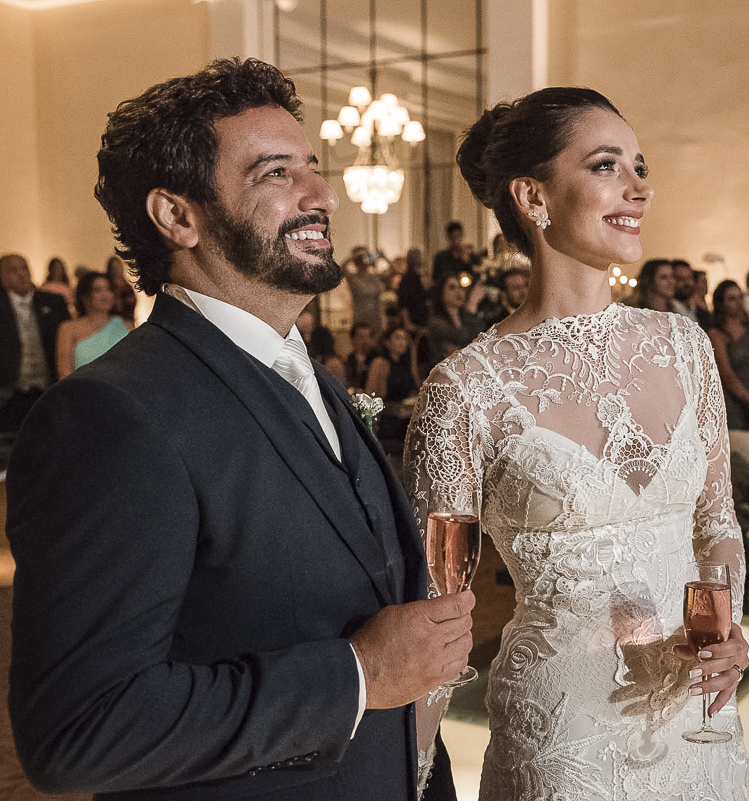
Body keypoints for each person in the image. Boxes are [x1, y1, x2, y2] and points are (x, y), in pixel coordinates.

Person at [5, 58, 471, 801]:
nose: (322, 194)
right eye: (274, 173)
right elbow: (78, 730)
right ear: (176, 216)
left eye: (314, 168)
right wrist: (358, 675)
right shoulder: (112, 416)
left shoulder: (309, 374)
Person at [404, 86, 749, 799]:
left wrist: (728, 635)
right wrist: (407, 776)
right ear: (533, 196)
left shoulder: (684, 345)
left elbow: (716, 522)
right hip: (564, 734)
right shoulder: (465, 387)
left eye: (640, 165)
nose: (639, 187)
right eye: (606, 166)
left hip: (698, 721)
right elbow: (432, 609)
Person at [0, 253, 71, 432]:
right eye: (14, 270)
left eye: (24, 268)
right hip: (9, 393)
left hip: (48, 388)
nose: (22, 274)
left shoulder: (53, 302)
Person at [708, 279, 749, 431]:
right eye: (731, 298)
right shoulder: (716, 333)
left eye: (740, 297)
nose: (738, 303)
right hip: (730, 402)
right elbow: (725, 373)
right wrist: (748, 397)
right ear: (721, 302)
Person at [55, 270, 133, 377]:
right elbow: (64, 372)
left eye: (108, 289)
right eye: (98, 290)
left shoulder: (126, 325)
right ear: (85, 297)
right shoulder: (68, 328)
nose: (105, 295)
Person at [365, 324, 419, 442]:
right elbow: (371, 395)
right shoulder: (379, 363)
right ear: (387, 342)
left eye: (405, 339)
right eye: (398, 338)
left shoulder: (406, 364)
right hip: (386, 419)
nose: (402, 342)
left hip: (406, 418)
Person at [425, 271, 486, 364]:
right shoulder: (436, 322)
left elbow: (481, 339)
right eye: (452, 287)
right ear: (441, 292)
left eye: (461, 287)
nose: (458, 292)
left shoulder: (465, 317)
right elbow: (462, 337)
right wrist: (471, 307)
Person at [343, 245, 388, 329]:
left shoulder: (375, 277)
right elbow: (342, 268)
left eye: (365, 259)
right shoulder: (353, 278)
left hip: (376, 316)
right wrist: (354, 256)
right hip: (360, 317)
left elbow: (392, 272)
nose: (363, 263)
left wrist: (380, 256)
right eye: (361, 261)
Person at [431, 220, 480, 290]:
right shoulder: (441, 257)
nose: (456, 241)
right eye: (453, 237)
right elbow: (436, 277)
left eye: (458, 236)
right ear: (448, 238)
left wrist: (466, 262)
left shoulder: (471, 256)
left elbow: (476, 276)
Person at [670, 258, 711, 328]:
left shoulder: (700, 312)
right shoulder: (667, 312)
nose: (687, 283)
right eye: (681, 279)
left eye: (689, 278)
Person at [343, 321, 377, 391]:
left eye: (368, 337)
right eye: (361, 337)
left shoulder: (376, 358)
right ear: (353, 339)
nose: (365, 340)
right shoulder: (350, 358)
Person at [105, 254, 138, 323]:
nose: (116, 270)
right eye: (113, 268)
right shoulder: (107, 286)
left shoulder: (127, 287)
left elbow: (132, 304)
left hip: (127, 321)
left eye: (117, 267)